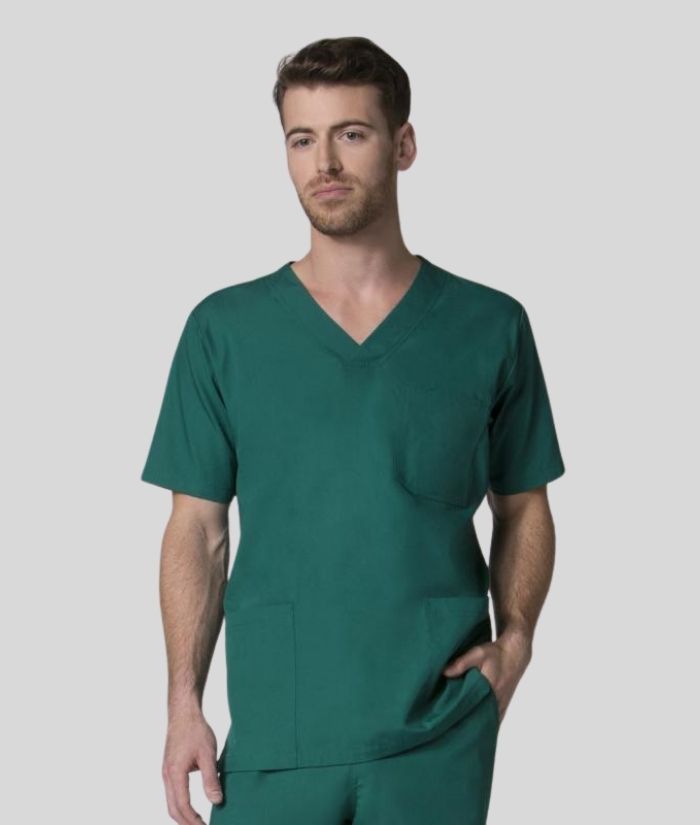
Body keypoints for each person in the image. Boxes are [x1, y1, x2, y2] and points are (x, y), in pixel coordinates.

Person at [141, 35, 566, 825]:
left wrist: (515, 643)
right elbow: (196, 529)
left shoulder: (488, 327)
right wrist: (182, 703)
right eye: (302, 139)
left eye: (352, 133)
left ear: (403, 145)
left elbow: (524, 505)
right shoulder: (224, 332)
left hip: (437, 733)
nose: (325, 163)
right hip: (276, 735)